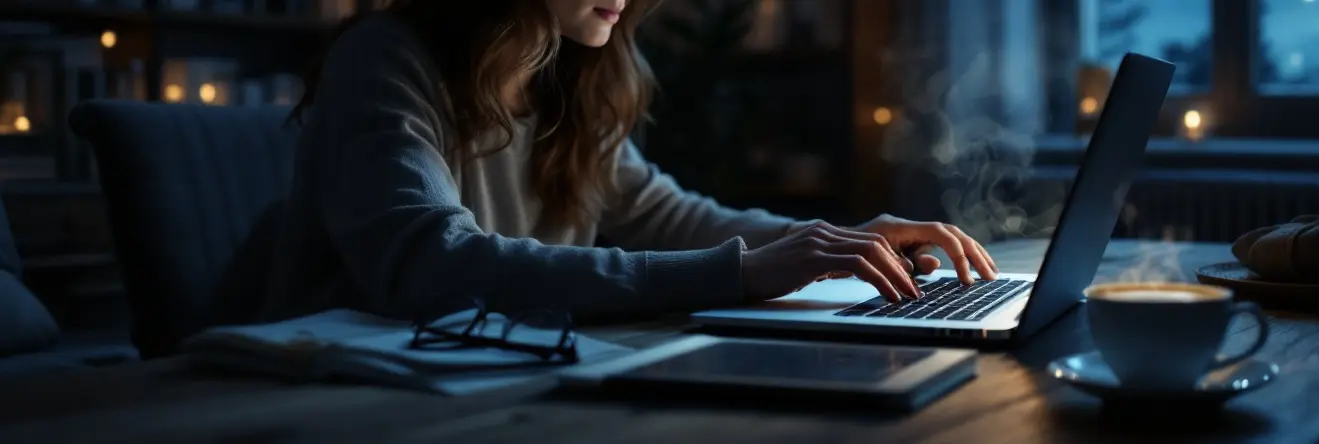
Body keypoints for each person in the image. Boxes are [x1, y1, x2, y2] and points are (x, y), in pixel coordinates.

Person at [249, 0, 999, 325]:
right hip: (336, 399)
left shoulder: (567, 77)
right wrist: (740, 272)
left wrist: (838, 245)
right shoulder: (384, 58)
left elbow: (668, 218)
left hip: (494, 383)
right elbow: (430, 263)